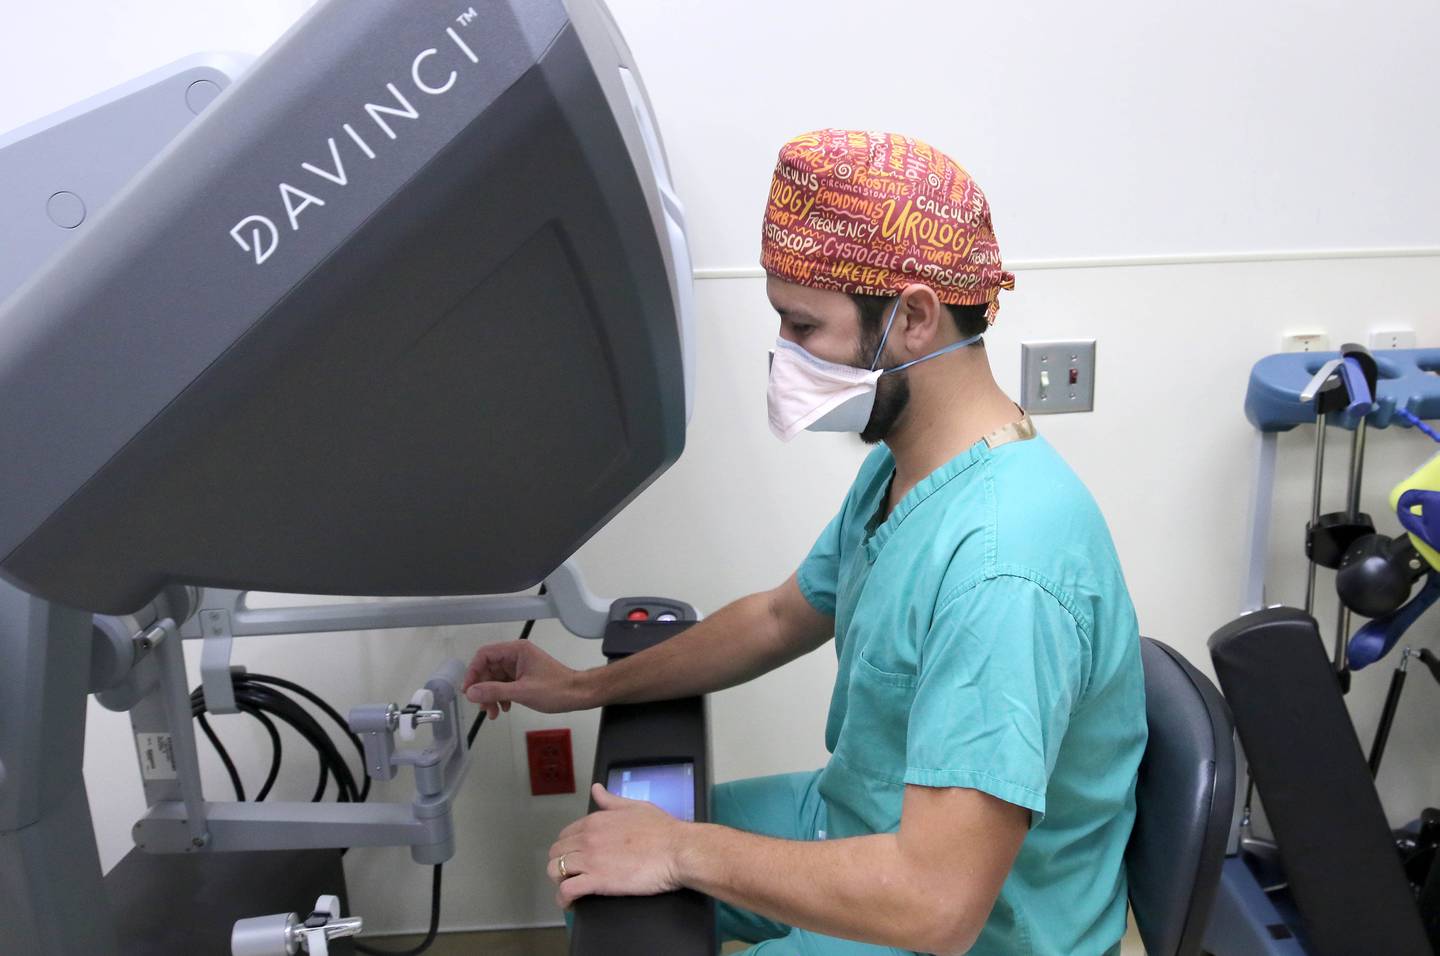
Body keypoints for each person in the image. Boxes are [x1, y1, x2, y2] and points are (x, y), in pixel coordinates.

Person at [463, 129, 1147, 955]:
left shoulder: (1005, 569)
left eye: (804, 326)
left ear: (916, 317)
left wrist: (682, 849)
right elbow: (781, 617)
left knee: (643, 888)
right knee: (597, 873)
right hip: (858, 815)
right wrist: (578, 689)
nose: (786, 357)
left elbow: (938, 903)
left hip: (975, 924)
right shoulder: (909, 470)